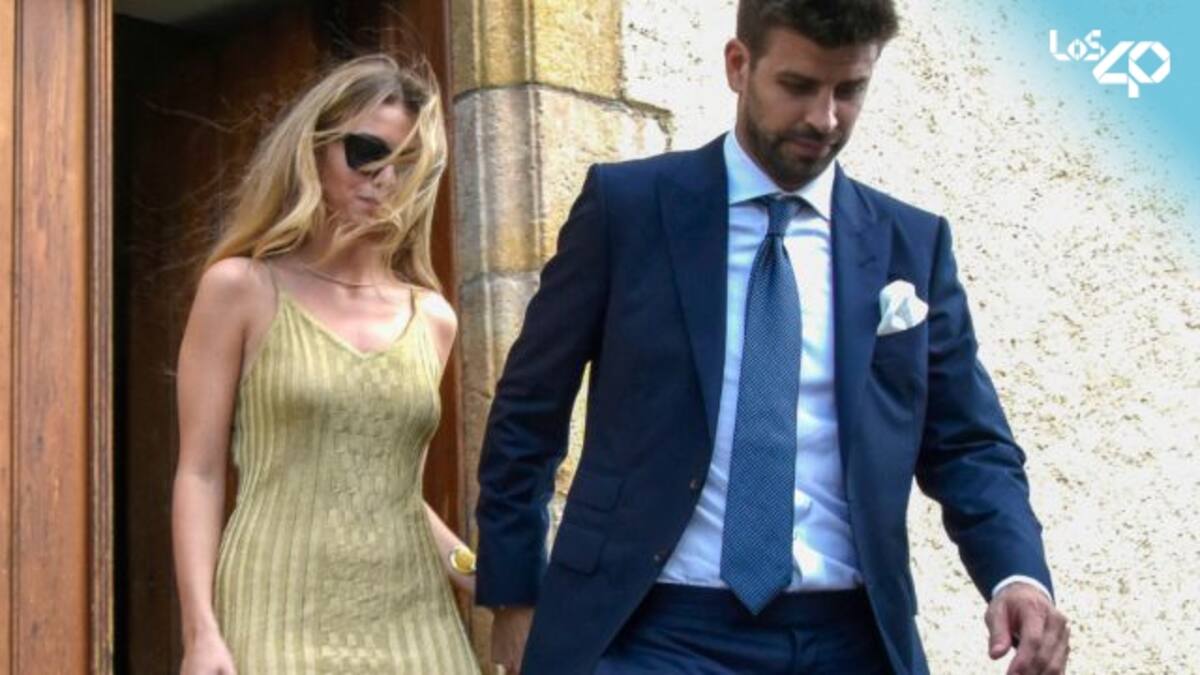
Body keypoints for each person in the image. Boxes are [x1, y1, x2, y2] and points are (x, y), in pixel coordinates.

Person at [475, 1, 1071, 673]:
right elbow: (529, 409)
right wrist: (514, 593)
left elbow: (968, 445)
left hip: (849, 637)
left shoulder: (911, 244)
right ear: (739, 65)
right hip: (651, 631)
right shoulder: (629, 210)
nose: (825, 118)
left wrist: (1017, 575)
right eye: (798, 86)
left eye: (849, 90)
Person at [171, 55, 478, 674]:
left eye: (407, 164)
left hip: (414, 623)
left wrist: (478, 573)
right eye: (366, 152)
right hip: (274, 609)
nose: (384, 178)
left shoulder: (432, 318)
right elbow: (199, 473)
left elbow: (393, 490)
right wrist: (201, 632)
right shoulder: (241, 289)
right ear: (314, 151)